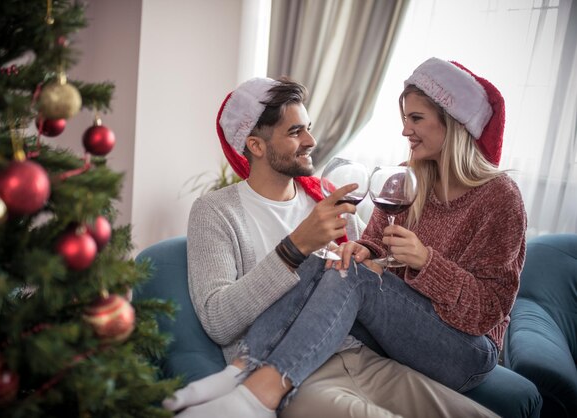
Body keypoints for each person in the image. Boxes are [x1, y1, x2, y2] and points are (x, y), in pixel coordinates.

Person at [166, 73, 499, 418]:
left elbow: (362, 288)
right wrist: (294, 248)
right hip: (294, 371)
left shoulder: (329, 199)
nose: (311, 139)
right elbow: (218, 321)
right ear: (256, 145)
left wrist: (376, 266)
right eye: (295, 132)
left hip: (363, 355)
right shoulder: (216, 212)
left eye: (308, 127)